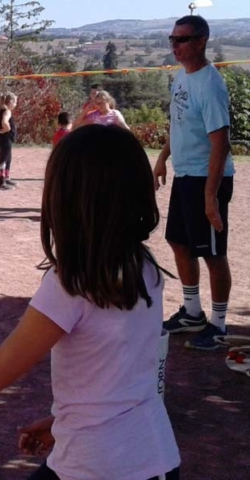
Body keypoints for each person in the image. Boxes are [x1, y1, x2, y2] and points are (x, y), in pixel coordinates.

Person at [0, 125, 181, 480]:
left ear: (67, 201)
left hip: (97, 466)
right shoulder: (144, 267)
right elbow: (119, 375)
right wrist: (61, 423)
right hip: (152, 455)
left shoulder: (72, 283)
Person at [153, 15, 235, 351]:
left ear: (201, 41)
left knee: (213, 254)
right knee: (179, 242)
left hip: (207, 179)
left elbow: (221, 142)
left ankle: (218, 325)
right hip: (186, 176)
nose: (175, 45)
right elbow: (179, 123)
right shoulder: (182, 79)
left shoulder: (210, 84)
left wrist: (210, 195)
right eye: (172, 39)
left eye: (182, 39)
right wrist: (162, 157)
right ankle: (192, 312)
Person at [0, 92, 18, 190]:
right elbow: (4, 121)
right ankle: (1, 182)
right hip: (5, 138)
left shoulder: (2, 110)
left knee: (8, 159)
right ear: (10, 102)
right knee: (3, 160)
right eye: (15, 102)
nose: (15, 105)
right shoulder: (7, 111)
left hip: (7, 139)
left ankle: (6, 177)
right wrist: (6, 129)